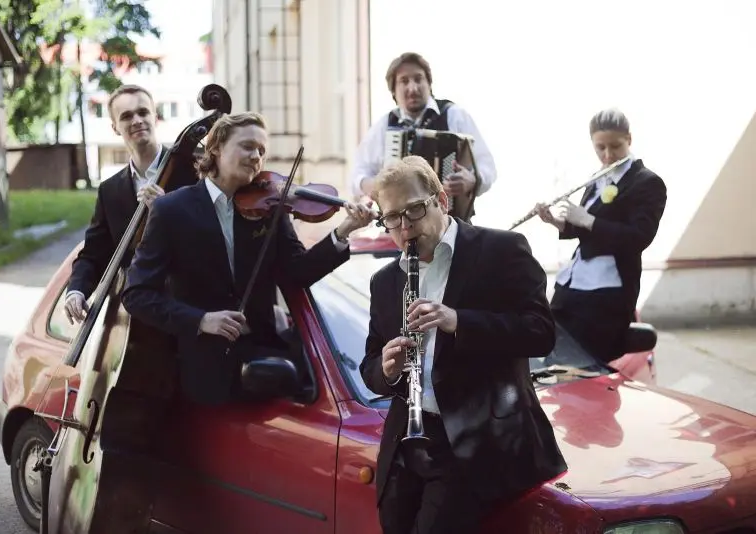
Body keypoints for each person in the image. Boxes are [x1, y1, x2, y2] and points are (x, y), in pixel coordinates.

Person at [359, 155, 567, 534]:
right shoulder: (385, 281)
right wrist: (387, 369)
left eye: (414, 210)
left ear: (441, 200)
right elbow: (370, 366)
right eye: (392, 218)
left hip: (473, 444)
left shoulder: (502, 250)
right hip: (406, 442)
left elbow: (541, 332)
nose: (404, 227)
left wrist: (459, 321)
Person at [120, 111, 376, 405]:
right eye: (248, 146)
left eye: (262, 151)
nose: (257, 157)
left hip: (267, 363)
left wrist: (344, 231)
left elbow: (298, 272)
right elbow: (137, 295)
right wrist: (201, 320)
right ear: (216, 147)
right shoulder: (171, 210)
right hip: (205, 372)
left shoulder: (270, 209)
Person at [535, 108, 667, 363]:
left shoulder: (647, 182)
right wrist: (556, 221)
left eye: (615, 146)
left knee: (586, 367)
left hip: (606, 295)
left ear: (629, 139)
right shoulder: (598, 177)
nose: (607, 155)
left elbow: (639, 237)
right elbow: (585, 230)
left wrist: (588, 219)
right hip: (572, 286)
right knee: (552, 358)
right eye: (600, 148)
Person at [64, 84, 170, 324]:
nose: (137, 120)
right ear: (115, 127)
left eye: (143, 112)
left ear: (155, 117)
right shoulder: (110, 190)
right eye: (127, 116)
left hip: (189, 309)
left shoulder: (194, 170)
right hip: (136, 318)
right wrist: (76, 290)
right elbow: (94, 253)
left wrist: (168, 211)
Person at [349, 52, 497, 208]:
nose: (413, 88)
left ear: (429, 83)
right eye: (404, 81)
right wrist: (380, 186)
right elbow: (357, 176)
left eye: (418, 79)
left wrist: (472, 180)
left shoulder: (454, 115)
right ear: (393, 90)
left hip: (450, 219)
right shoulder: (384, 126)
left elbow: (488, 167)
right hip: (400, 221)